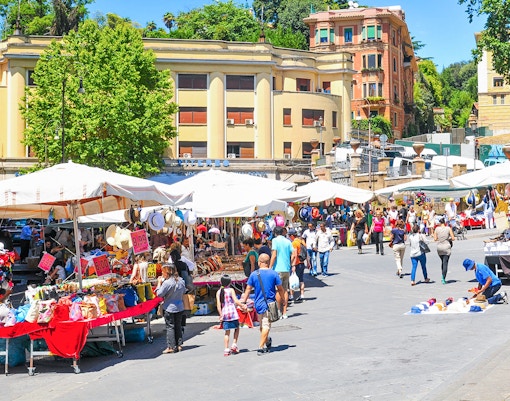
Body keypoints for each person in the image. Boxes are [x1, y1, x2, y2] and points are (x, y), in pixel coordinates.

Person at [240, 253, 285, 356]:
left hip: (258, 304)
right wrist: (283, 299)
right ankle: (264, 343)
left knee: (263, 325)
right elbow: (280, 288)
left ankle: (264, 343)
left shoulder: (254, 274)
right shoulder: (274, 274)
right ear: (268, 262)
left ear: (259, 262)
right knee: (264, 326)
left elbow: (248, 289)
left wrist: (243, 301)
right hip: (269, 304)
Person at [155, 264, 186, 354]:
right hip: (179, 306)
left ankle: (171, 346)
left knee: (170, 327)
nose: (162, 273)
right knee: (178, 326)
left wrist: (159, 283)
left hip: (169, 307)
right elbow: (184, 291)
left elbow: (159, 294)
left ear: (167, 272)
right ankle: (179, 344)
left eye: (163, 272)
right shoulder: (181, 281)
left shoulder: (167, 283)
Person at [216, 274, 245, 356]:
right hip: (232, 313)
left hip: (225, 314)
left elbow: (218, 305)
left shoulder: (218, 292)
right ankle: (234, 344)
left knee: (227, 332)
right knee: (237, 328)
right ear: (229, 283)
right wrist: (242, 305)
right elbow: (236, 301)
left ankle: (226, 349)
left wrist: (220, 315)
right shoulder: (231, 290)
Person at [269, 226, 294, 320]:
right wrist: (290, 264)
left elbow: (274, 255)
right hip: (286, 269)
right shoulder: (288, 241)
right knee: (285, 290)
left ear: (275, 233)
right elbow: (294, 254)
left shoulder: (275, 241)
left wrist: (270, 267)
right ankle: (284, 312)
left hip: (277, 269)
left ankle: (278, 311)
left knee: (278, 290)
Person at [433, 217, 455, 284]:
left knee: (442, 262)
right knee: (445, 263)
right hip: (446, 247)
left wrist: (440, 238)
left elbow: (435, 239)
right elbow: (453, 238)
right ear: (445, 222)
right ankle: (443, 277)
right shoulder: (448, 228)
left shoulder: (437, 229)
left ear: (439, 223)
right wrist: (448, 238)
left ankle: (443, 274)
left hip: (439, 247)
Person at [288, 229, 306, 302]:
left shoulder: (294, 243)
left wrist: (292, 264)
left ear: (292, 236)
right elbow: (306, 252)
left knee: (292, 280)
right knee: (301, 280)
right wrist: (308, 262)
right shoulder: (301, 241)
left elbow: (294, 255)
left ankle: (291, 296)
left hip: (297, 263)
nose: (289, 237)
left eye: (289, 235)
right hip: (302, 262)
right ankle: (302, 295)